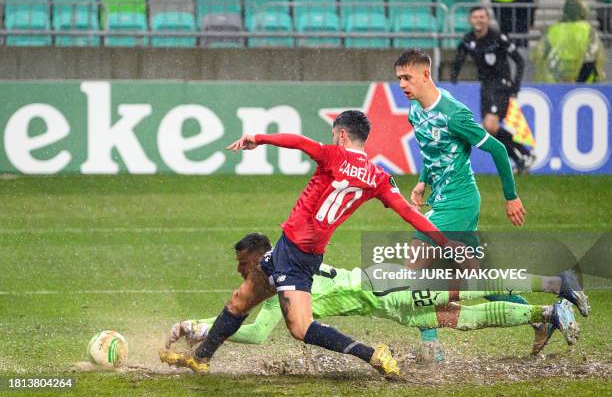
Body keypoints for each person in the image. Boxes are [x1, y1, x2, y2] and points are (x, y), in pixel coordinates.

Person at [159, 110, 464, 376]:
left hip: (297, 257)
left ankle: (372, 355)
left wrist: (258, 137)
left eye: (334, 134)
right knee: (240, 301)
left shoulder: (334, 156)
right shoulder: (378, 178)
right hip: (288, 248)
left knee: (300, 328)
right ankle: (201, 358)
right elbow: (409, 213)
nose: (333, 139)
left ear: (342, 135)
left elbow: (299, 142)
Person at [163, 233, 583, 360]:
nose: (239, 275)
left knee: (464, 289)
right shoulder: (289, 276)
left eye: (242, 267)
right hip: (386, 297)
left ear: (257, 262)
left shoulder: (282, 290)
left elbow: (254, 336)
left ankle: (553, 285)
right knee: (464, 315)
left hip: (386, 290)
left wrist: (197, 328)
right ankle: (545, 312)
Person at [397, 48, 535, 362]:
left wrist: (510, 197)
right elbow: (434, 153)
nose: (402, 84)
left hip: (459, 203)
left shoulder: (453, 112)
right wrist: (422, 181)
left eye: (407, 77)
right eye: (399, 79)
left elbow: (499, 150)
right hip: (443, 200)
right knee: (473, 279)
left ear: (426, 74)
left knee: (415, 271)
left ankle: (432, 349)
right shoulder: (415, 111)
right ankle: (543, 315)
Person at [451, 7, 536, 173]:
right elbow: (461, 55)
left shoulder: (497, 37)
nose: (479, 20)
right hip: (486, 86)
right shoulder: (468, 39)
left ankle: (524, 154)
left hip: (500, 85)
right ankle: (522, 157)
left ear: (488, 19)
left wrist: (515, 85)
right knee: (491, 129)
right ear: (470, 20)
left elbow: (519, 61)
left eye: (482, 17)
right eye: (475, 17)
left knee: (490, 126)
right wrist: (455, 73)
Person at [532, 0, 607, 83]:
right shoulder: (588, 30)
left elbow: (539, 56)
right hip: (585, 87)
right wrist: (577, 84)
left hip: (554, 85)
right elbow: (591, 60)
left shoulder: (552, 30)